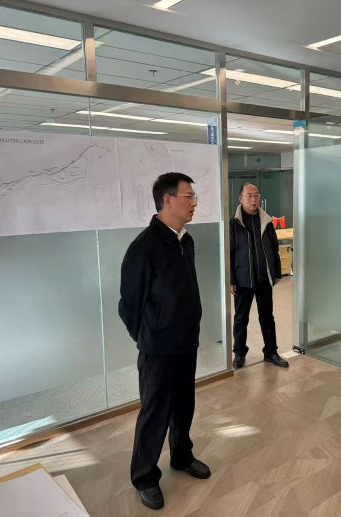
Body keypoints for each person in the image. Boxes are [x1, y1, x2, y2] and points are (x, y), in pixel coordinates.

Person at [118, 172, 211, 511]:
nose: (194, 203)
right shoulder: (143, 248)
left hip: (186, 342)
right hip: (158, 348)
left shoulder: (186, 240)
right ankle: (144, 476)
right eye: (189, 196)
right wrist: (148, 336)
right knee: (155, 412)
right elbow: (129, 306)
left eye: (194, 197)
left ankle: (182, 456)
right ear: (167, 200)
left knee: (184, 406)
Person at [230, 183, 289, 369]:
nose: (253, 199)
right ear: (240, 199)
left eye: (256, 195)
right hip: (243, 280)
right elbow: (229, 254)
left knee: (267, 317)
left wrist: (276, 273)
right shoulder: (234, 224)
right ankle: (239, 353)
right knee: (241, 318)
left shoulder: (266, 222)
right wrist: (231, 280)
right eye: (249, 195)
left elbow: (274, 248)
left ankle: (271, 352)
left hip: (263, 279)